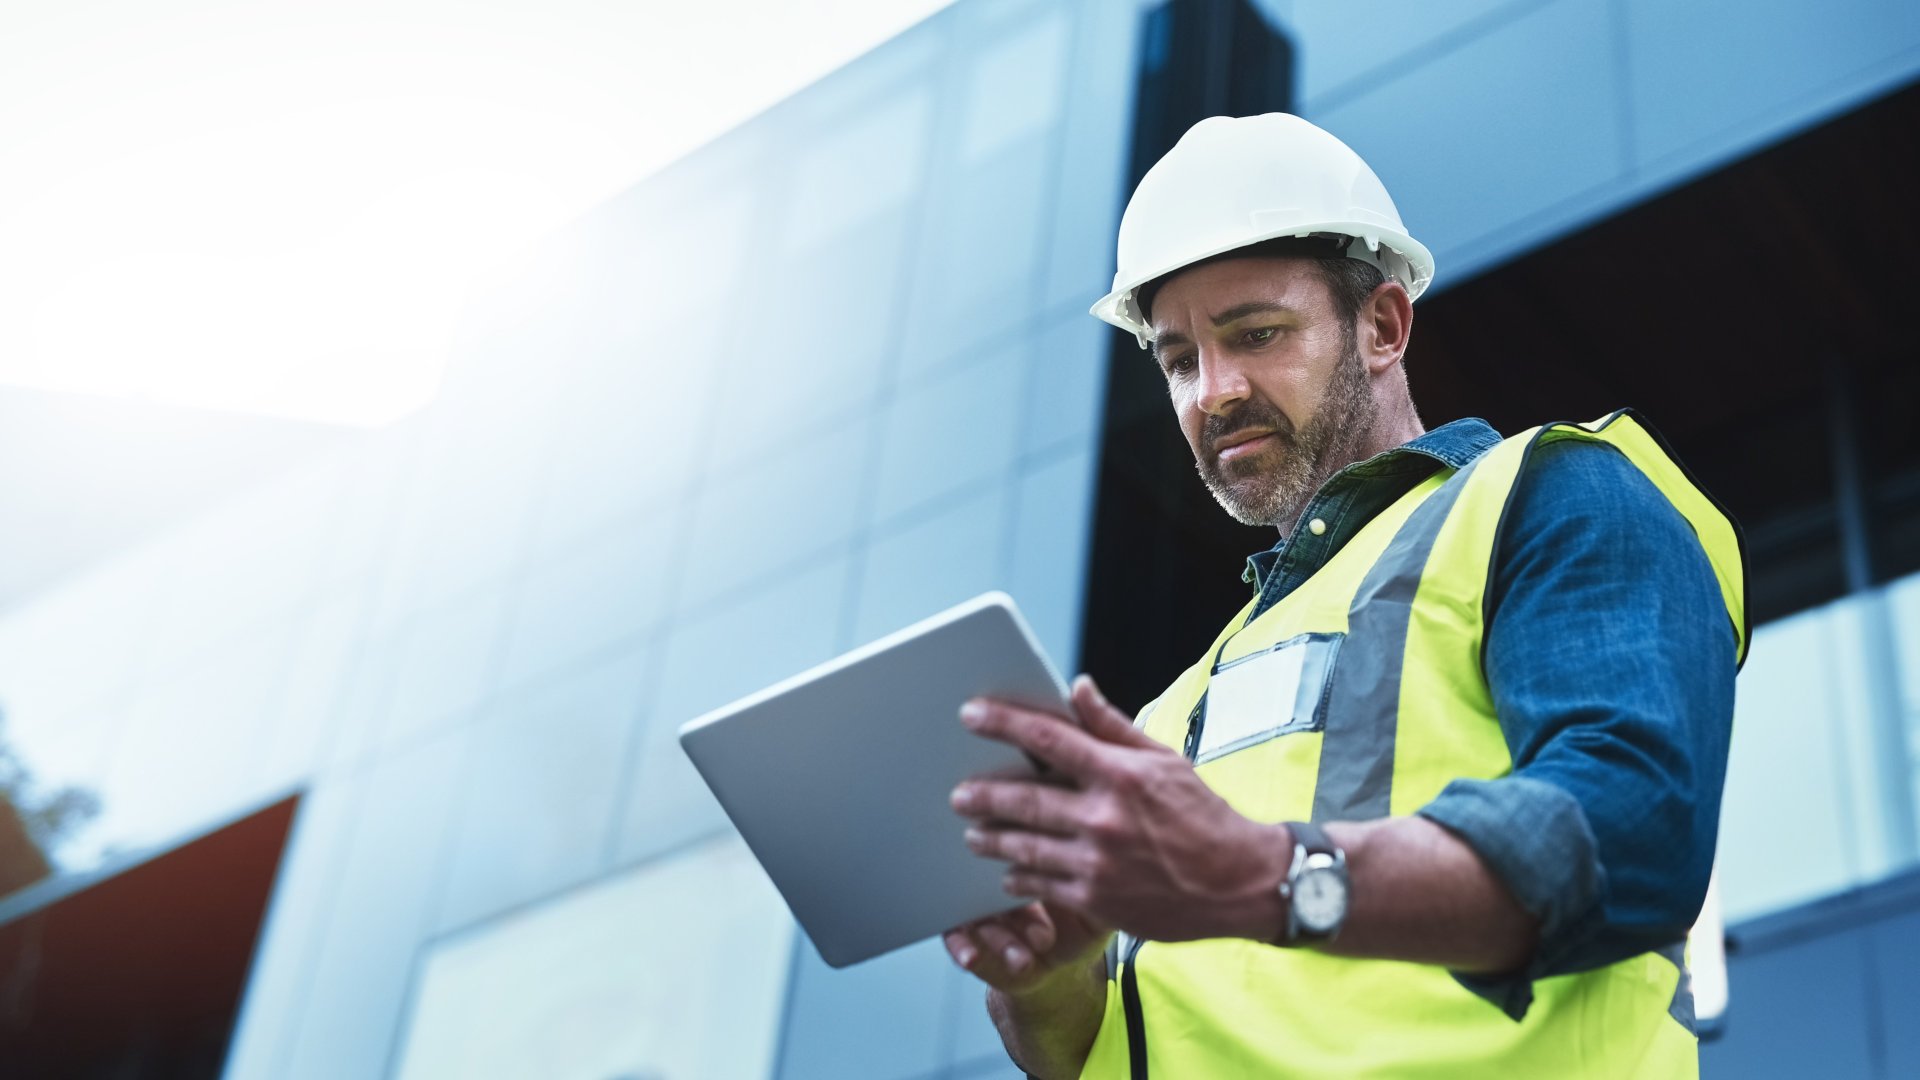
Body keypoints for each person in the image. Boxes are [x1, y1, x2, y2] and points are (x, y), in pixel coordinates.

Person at [941, 113, 1746, 1078]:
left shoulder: (1549, 495)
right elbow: (1096, 1056)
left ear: (1382, 325)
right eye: (1180, 360)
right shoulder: (1166, 718)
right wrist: (1045, 981)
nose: (1212, 392)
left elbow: (1633, 831)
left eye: (1256, 334)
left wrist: (1262, 875)